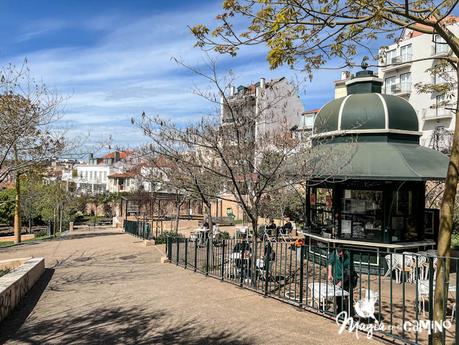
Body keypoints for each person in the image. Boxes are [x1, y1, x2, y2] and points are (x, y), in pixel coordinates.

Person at [327, 246, 357, 314]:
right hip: (337, 277)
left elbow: (349, 272)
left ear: (344, 251)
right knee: (337, 294)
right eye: (339, 252)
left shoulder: (348, 256)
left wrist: (341, 282)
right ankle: (339, 309)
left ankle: (347, 312)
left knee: (346, 294)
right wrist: (329, 274)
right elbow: (330, 263)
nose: (340, 254)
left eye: (341, 252)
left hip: (347, 278)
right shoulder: (334, 253)